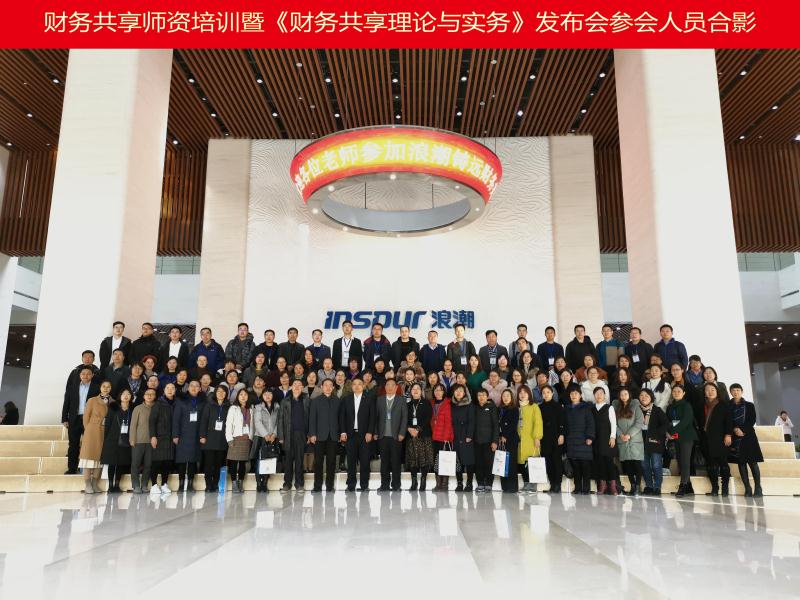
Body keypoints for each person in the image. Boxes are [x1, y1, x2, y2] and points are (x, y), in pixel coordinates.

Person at [62, 365, 100, 474]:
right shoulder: (72, 387)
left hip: (90, 420)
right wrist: (64, 418)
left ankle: (84, 468)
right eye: (83, 374)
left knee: (88, 445)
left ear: (92, 375)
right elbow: (66, 403)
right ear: (79, 375)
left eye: (88, 374)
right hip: (74, 419)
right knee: (73, 445)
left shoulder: (97, 388)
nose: (85, 376)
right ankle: (72, 468)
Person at [339, 377, 376, 492]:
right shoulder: (346, 399)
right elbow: (342, 417)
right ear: (351, 386)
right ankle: (351, 485)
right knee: (351, 461)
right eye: (354, 384)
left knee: (365, 461)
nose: (357, 386)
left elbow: (372, 417)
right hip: (350, 435)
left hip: (364, 435)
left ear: (363, 386)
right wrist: (343, 432)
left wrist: (370, 432)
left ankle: (364, 485)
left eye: (359, 384)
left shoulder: (369, 399)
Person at [728, 383, 764, 497]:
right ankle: (747, 488)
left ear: (742, 391)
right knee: (741, 462)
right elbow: (727, 420)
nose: (735, 392)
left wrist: (742, 429)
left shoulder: (749, 405)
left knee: (753, 462)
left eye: (738, 390)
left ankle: (758, 488)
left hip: (748, 436)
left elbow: (752, 419)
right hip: (735, 437)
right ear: (730, 392)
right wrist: (735, 429)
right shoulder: (728, 406)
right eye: (733, 390)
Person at [309, 377, 343, 492]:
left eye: (330, 385)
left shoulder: (337, 401)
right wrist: (312, 434)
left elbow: (340, 419)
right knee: (318, 462)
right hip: (319, 435)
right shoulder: (316, 401)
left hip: (333, 436)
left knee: (331, 461)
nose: (328, 387)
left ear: (333, 387)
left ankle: (330, 486)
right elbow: (312, 419)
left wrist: (340, 433)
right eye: (326, 385)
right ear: (322, 387)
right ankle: (317, 486)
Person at [79, 380, 113, 494]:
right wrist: (88, 430)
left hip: (105, 432)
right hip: (92, 431)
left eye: (108, 387)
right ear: (100, 388)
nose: (106, 388)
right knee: (88, 457)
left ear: (111, 388)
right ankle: (87, 484)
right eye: (104, 386)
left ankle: (95, 483)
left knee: (100, 459)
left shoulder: (113, 402)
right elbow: (86, 417)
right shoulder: (92, 400)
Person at [374, 378, 407, 491]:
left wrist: (402, 432)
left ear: (396, 387)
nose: (390, 387)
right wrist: (375, 432)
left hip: (396, 436)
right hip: (382, 436)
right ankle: (384, 484)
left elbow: (404, 418)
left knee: (396, 461)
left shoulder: (401, 400)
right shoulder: (379, 400)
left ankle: (396, 485)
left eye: (392, 385)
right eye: (387, 385)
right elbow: (375, 418)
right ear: (385, 387)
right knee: (384, 462)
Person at [701, 382, 733, 497]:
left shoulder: (723, 404)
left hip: (720, 438)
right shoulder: (702, 405)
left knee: (723, 463)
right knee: (710, 465)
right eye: (707, 390)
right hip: (706, 438)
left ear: (717, 391)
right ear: (704, 393)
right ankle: (715, 488)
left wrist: (728, 434)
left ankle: (725, 488)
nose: (710, 392)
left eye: (712, 389)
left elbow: (729, 420)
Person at [278, 379, 310, 492]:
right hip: (288, 434)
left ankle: (299, 484)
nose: (296, 387)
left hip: (301, 434)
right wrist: (281, 436)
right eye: (294, 384)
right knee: (288, 460)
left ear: (302, 388)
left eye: (299, 385)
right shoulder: (285, 401)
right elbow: (280, 419)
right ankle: (287, 484)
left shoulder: (306, 400)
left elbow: (310, 418)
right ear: (291, 387)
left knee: (300, 460)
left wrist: (309, 434)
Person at [172, 380, 203, 492]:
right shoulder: (181, 401)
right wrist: (175, 435)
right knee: (182, 460)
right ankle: (181, 484)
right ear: (188, 388)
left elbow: (204, 420)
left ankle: (190, 483)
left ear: (200, 389)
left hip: (196, 434)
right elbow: (176, 419)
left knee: (193, 460)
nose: (194, 388)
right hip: (183, 434)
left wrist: (202, 435)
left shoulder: (203, 402)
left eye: (196, 386)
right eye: (192, 386)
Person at [667, 384, 698, 498]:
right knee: (680, 461)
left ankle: (683, 486)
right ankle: (689, 487)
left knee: (685, 461)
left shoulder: (686, 405)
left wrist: (673, 431)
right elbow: (668, 421)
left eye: (679, 391)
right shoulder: (670, 407)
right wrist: (668, 432)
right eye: (674, 391)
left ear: (683, 393)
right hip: (676, 436)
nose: (676, 393)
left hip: (686, 436)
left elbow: (686, 421)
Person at [101, 389, 133, 493]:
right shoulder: (113, 407)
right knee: (112, 462)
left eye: (128, 394)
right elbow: (107, 424)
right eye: (123, 394)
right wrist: (106, 439)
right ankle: (110, 485)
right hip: (112, 439)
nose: (126, 396)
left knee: (121, 463)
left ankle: (117, 484)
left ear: (131, 397)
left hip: (126, 439)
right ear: (120, 396)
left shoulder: (133, 409)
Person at [565, 385, 595, 494]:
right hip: (571, 441)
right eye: (572, 394)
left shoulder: (586, 408)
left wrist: (590, 437)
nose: (574, 395)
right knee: (575, 466)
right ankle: (577, 488)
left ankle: (586, 489)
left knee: (585, 466)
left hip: (584, 441)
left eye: (576, 394)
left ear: (580, 395)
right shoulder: (567, 409)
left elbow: (591, 423)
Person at [614, 388, 644, 496]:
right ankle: (632, 486)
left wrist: (629, 434)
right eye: (621, 394)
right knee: (627, 465)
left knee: (637, 464)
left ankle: (638, 487)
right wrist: (620, 434)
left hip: (634, 440)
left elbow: (639, 422)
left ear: (629, 395)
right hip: (622, 439)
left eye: (625, 394)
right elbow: (613, 424)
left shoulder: (636, 406)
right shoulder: (616, 408)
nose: (623, 396)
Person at [199, 386, 229, 492]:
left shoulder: (229, 406)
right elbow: (203, 421)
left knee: (218, 464)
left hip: (222, 439)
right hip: (209, 438)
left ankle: (215, 484)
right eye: (218, 391)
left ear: (226, 394)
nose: (221, 393)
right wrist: (202, 436)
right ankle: (208, 485)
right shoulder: (209, 405)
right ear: (215, 393)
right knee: (208, 464)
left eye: (223, 392)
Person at [638, 389, 668, 496]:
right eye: (641, 395)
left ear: (651, 398)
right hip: (640, 442)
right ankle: (649, 486)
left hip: (655, 441)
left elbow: (666, 424)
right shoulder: (637, 410)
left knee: (656, 465)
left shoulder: (657, 410)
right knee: (644, 465)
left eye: (646, 395)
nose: (644, 397)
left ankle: (657, 487)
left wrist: (656, 433)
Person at [405, 382, 434, 491]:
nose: (416, 390)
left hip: (424, 434)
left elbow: (428, 417)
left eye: (418, 388)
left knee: (424, 459)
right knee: (412, 459)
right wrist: (409, 428)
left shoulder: (426, 403)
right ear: (411, 392)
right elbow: (404, 418)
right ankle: (414, 482)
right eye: (413, 389)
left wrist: (417, 429)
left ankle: (423, 480)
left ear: (421, 391)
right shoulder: (407, 404)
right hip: (411, 435)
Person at [252, 388, 280, 492]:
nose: (267, 396)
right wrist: (265, 435)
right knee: (260, 461)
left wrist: (274, 434)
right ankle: (259, 484)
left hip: (273, 438)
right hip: (261, 437)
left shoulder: (277, 407)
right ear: (262, 396)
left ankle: (264, 483)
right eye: (265, 394)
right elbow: (257, 422)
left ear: (273, 395)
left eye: (269, 394)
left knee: (269, 461)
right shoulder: (258, 407)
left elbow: (279, 422)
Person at [225, 388, 253, 492]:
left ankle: (240, 483)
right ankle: (234, 484)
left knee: (242, 463)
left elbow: (252, 425)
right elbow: (228, 424)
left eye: (245, 394)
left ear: (248, 397)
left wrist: (250, 438)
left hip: (246, 439)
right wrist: (229, 439)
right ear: (238, 396)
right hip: (235, 439)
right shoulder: (233, 408)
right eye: (241, 394)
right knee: (233, 462)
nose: (243, 396)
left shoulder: (251, 409)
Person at [149, 383, 175, 494]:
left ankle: (164, 484)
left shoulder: (176, 403)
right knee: (156, 462)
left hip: (170, 438)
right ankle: (154, 484)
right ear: (164, 390)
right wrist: (153, 436)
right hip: (159, 437)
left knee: (167, 462)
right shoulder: (158, 404)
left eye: (172, 388)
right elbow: (152, 421)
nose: (170, 390)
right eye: (167, 388)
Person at [592, 386, 619, 495]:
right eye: (597, 393)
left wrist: (613, 437)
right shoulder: (592, 408)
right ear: (594, 395)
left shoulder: (609, 407)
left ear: (604, 395)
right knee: (600, 463)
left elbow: (613, 423)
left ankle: (613, 486)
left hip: (607, 438)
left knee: (609, 462)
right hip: (596, 439)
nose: (599, 395)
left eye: (601, 393)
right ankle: (602, 486)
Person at [517, 385, 543, 493]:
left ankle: (533, 486)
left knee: (531, 462)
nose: (522, 394)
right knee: (522, 463)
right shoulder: (517, 407)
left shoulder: (534, 407)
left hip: (531, 440)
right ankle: (526, 484)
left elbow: (538, 422)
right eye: (520, 392)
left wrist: (537, 437)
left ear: (529, 395)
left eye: (525, 392)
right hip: (520, 441)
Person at [129, 388, 156, 493]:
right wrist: (132, 439)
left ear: (155, 396)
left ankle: (144, 485)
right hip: (138, 441)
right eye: (147, 394)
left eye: (152, 394)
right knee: (135, 464)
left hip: (151, 442)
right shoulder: (138, 408)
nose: (149, 396)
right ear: (143, 396)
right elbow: (133, 425)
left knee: (148, 464)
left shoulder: (156, 408)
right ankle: (136, 485)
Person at [539, 385, 565, 493]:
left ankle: (558, 483)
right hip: (544, 438)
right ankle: (552, 483)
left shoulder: (558, 406)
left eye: (548, 392)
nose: (546, 394)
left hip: (556, 437)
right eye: (544, 393)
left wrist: (562, 434)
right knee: (547, 461)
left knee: (556, 461)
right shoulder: (539, 407)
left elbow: (562, 421)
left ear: (552, 393)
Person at [450, 384, 475, 492]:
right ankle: (459, 483)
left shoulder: (469, 404)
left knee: (468, 460)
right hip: (455, 434)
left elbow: (472, 421)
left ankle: (469, 483)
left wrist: (469, 435)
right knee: (457, 460)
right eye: (456, 391)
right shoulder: (451, 404)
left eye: (461, 391)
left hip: (466, 435)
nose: (458, 393)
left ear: (465, 393)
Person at [473, 388, 499, 493]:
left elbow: (496, 425)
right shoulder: (474, 408)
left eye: (483, 395)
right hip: (477, 441)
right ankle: (480, 483)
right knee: (478, 463)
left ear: (487, 396)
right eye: (479, 395)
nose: (481, 397)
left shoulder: (492, 407)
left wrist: (495, 441)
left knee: (489, 463)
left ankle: (489, 484)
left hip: (489, 441)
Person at [430, 383, 453, 491]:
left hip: (444, 437)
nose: (438, 392)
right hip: (434, 436)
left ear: (444, 392)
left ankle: (444, 484)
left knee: (445, 461)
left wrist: (446, 438)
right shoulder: (431, 403)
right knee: (436, 461)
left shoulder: (448, 403)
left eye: (440, 390)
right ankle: (438, 484)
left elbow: (449, 423)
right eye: (436, 390)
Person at [498, 386, 520, 493]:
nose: (506, 398)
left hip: (511, 439)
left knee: (511, 463)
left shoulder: (514, 409)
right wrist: (500, 435)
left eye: (508, 396)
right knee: (502, 462)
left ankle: (512, 486)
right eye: (504, 396)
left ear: (511, 398)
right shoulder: (499, 409)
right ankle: (505, 486)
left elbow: (513, 425)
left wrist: (504, 435)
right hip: (501, 440)